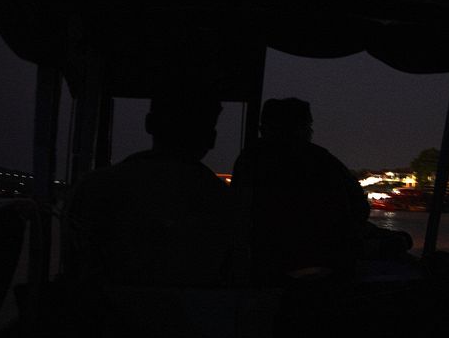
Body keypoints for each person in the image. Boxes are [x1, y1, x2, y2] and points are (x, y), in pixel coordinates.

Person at [63, 86, 234, 287]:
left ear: (149, 124)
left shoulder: (93, 187)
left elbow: (74, 268)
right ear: (211, 138)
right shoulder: (223, 202)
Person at [232, 98, 372, 285]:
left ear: (264, 129)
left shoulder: (249, 159)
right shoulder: (322, 160)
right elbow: (359, 207)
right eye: (308, 126)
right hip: (323, 266)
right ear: (302, 128)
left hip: (263, 266)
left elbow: (238, 213)